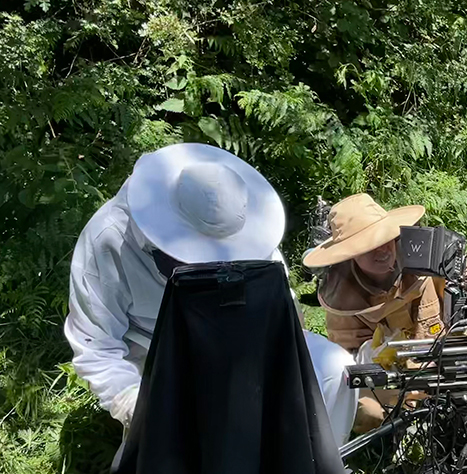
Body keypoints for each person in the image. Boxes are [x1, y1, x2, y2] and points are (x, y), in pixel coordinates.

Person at [65, 143, 358, 447]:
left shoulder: (245, 229)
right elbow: (97, 346)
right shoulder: (109, 238)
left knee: (333, 366)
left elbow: (283, 306)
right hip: (160, 357)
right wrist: (137, 406)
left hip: (241, 343)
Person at [303, 193, 445, 431]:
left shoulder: (423, 258)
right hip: (391, 385)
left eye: (385, 239)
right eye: (368, 247)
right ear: (351, 255)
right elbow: (342, 364)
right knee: (365, 411)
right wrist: (368, 355)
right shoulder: (343, 298)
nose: (382, 250)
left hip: (444, 364)